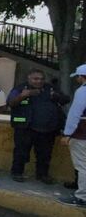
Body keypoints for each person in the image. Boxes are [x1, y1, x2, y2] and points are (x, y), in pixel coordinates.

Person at [8, 69, 68, 183]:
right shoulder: (20, 88)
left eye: (41, 79)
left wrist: (55, 96)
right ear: (29, 78)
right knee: (21, 152)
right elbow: (11, 103)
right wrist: (23, 95)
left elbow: (65, 99)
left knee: (45, 154)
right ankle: (17, 172)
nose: (39, 81)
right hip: (25, 128)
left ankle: (42, 175)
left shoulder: (50, 88)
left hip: (47, 129)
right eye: (36, 79)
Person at [60, 64, 86, 207]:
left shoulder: (82, 91)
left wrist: (67, 133)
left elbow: (75, 113)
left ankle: (82, 196)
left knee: (82, 166)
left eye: (78, 76)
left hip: (82, 133)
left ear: (82, 77)